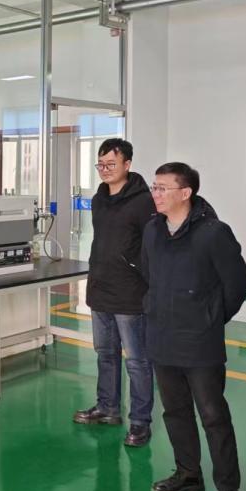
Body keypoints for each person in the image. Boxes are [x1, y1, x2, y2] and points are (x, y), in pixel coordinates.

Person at [141, 163, 246, 491]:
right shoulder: (153, 230)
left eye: (162, 188)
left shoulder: (213, 233)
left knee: (213, 416)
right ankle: (188, 474)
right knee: (174, 412)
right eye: (154, 187)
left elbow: (237, 284)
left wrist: (210, 319)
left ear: (185, 193)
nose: (155, 194)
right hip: (162, 337)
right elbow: (148, 275)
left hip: (200, 343)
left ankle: (228, 490)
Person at [73, 138, 155, 447]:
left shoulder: (144, 202)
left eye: (111, 164)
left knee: (137, 361)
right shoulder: (99, 199)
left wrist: (139, 274)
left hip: (130, 292)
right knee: (105, 355)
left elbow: (151, 247)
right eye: (101, 164)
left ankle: (140, 422)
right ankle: (107, 407)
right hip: (101, 288)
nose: (105, 170)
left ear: (127, 164)